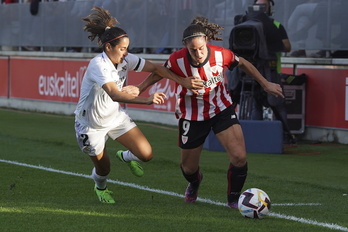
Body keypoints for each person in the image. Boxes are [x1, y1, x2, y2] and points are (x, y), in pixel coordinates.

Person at [128, 16, 284, 208]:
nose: (198, 53)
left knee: (239, 157)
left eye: (201, 48)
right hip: (192, 115)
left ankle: (233, 200)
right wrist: (140, 88)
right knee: (188, 168)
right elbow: (159, 71)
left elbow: (243, 62)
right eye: (193, 50)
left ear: (207, 42)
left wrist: (265, 83)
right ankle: (195, 182)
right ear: (185, 46)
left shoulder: (221, 54)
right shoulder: (177, 60)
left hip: (222, 109)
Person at [74, 7, 203, 204]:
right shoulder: (98, 65)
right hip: (90, 126)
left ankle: (125, 157)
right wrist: (147, 99)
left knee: (146, 154)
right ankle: (101, 188)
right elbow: (115, 94)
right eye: (122, 49)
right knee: (104, 170)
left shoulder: (127, 60)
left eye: (127, 48)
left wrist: (183, 81)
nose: (126, 53)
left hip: (114, 118)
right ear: (108, 47)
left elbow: (158, 68)